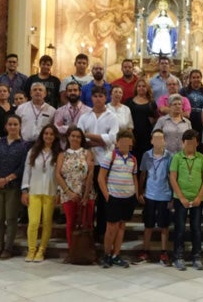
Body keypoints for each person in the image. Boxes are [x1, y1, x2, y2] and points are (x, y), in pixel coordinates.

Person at [77, 85, 119, 241]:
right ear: (91, 98)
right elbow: (80, 138)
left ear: (105, 98)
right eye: (95, 96)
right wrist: (100, 140)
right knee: (87, 198)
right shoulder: (84, 116)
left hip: (105, 162)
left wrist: (89, 136)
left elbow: (112, 139)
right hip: (87, 161)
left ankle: (101, 231)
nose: (98, 99)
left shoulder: (111, 117)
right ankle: (86, 230)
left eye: (101, 96)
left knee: (102, 199)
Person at [0, 114, 29, 260]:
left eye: (15, 124)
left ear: (20, 126)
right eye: (10, 124)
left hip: (13, 186)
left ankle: (8, 248)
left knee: (11, 218)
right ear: (5, 126)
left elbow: (22, 167)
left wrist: (6, 179)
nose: (12, 127)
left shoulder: (24, 145)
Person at [98, 130, 139, 268]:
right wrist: (107, 195)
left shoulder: (133, 159)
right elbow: (100, 178)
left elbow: (134, 177)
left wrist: (136, 194)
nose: (125, 143)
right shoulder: (111, 156)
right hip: (113, 197)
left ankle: (116, 254)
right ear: (117, 142)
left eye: (128, 140)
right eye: (123, 140)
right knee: (111, 227)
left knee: (122, 226)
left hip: (128, 197)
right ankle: (106, 254)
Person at [170, 129, 203, 271]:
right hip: (181, 199)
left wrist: (199, 196)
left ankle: (196, 256)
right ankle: (178, 256)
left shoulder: (201, 158)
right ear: (182, 142)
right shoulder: (177, 157)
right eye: (188, 142)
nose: (191, 145)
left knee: (196, 229)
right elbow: (173, 178)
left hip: (197, 199)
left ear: (197, 143)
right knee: (180, 229)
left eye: (193, 142)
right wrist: (181, 197)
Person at [21, 124, 61, 262]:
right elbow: (27, 171)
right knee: (33, 223)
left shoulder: (59, 153)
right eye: (46, 133)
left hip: (50, 191)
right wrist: (25, 190)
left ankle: (41, 250)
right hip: (34, 190)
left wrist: (59, 192)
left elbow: (61, 174)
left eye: (51, 134)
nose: (48, 136)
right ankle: (31, 250)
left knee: (47, 222)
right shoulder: (33, 151)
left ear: (55, 137)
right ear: (42, 135)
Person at [135, 129, 173, 266]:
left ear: (164, 141)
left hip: (164, 194)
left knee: (164, 225)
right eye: (155, 138)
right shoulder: (146, 155)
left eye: (160, 138)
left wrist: (172, 197)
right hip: (150, 194)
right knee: (148, 224)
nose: (158, 141)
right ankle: (145, 251)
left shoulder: (170, 156)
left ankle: (164, 252)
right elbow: (143, 175)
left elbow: (172, 177)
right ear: (151, 141)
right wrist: (139, 192)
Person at [55, 127, 94, 250]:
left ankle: (86, 251)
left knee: (87, 223)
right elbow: (57, 175)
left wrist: (86, 195)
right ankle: (72, 250)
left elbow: (90, 173)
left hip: (86, 194)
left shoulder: (87, 153)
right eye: (73, 136)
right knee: (70, 223)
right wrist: (69, 192)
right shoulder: (62, 154)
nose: (75, 138)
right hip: (68, 194)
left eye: (78, 136)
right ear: (68, 137)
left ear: (81, 139)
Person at [125, 78, 157, 166]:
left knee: (145, 159)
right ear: (136, 88)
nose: (141, 88)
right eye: (139, 86)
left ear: (147, 88)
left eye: (144, 86)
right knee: (132, 159)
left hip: (146, 136)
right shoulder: (129, 102)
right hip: (133, 134)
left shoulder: (152, 102)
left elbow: (154, 119)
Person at [54, 81, 90, 147]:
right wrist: (68, 128)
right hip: (64, 146)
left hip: (82, 146)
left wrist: (76, 129)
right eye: (70, 91)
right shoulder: (60, 111)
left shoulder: (88, 111)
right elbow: (56, 128)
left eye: (75, 90)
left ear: (80, 93)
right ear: (66, 93)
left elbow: (89, 129)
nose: (72, 92)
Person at [179, 69, 203, 134]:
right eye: (193, 77)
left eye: (198, 77)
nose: (196, 79)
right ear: (190, 79)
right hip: (186, 118)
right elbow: (179, 104)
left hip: (201, 120)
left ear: (201, 78)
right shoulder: (183, 91)